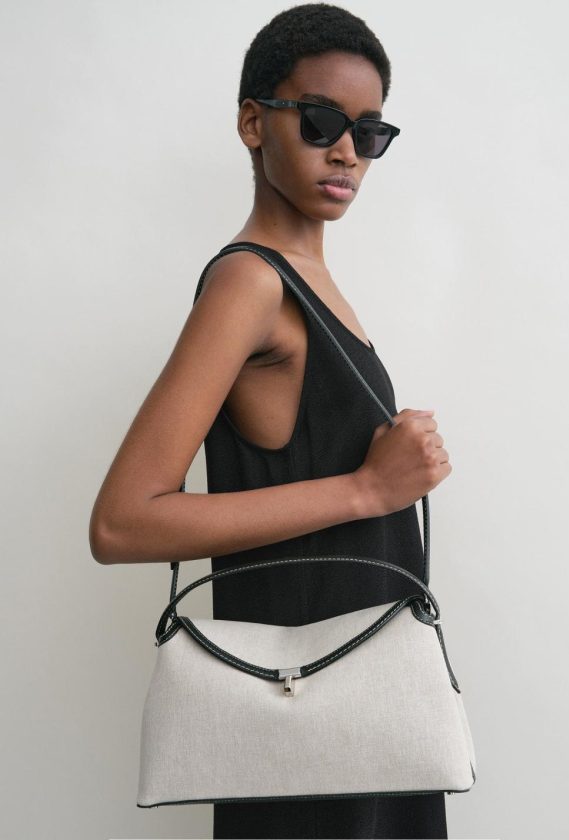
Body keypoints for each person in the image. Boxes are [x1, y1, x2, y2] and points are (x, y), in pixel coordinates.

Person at [89, 3, 453, 838]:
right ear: (254, 123)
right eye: (321, 120)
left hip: (367, 696)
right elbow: (122, 521)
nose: (347, 151)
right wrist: (368, 489)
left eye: (370, 132)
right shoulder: (250, 283)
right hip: (308, 708)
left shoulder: (311, 284)